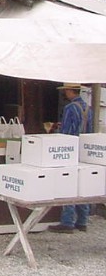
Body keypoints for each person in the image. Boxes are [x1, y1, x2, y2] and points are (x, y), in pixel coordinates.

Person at [49, 82, 94, 233]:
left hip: (71, 149)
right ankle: (82, 220)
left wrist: (56, 130)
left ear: (69, 91)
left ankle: (67, 221)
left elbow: (66, 132)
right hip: (84, 148)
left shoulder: (69, 108)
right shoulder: (88, 108)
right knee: (83, 183)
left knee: (68, 182)